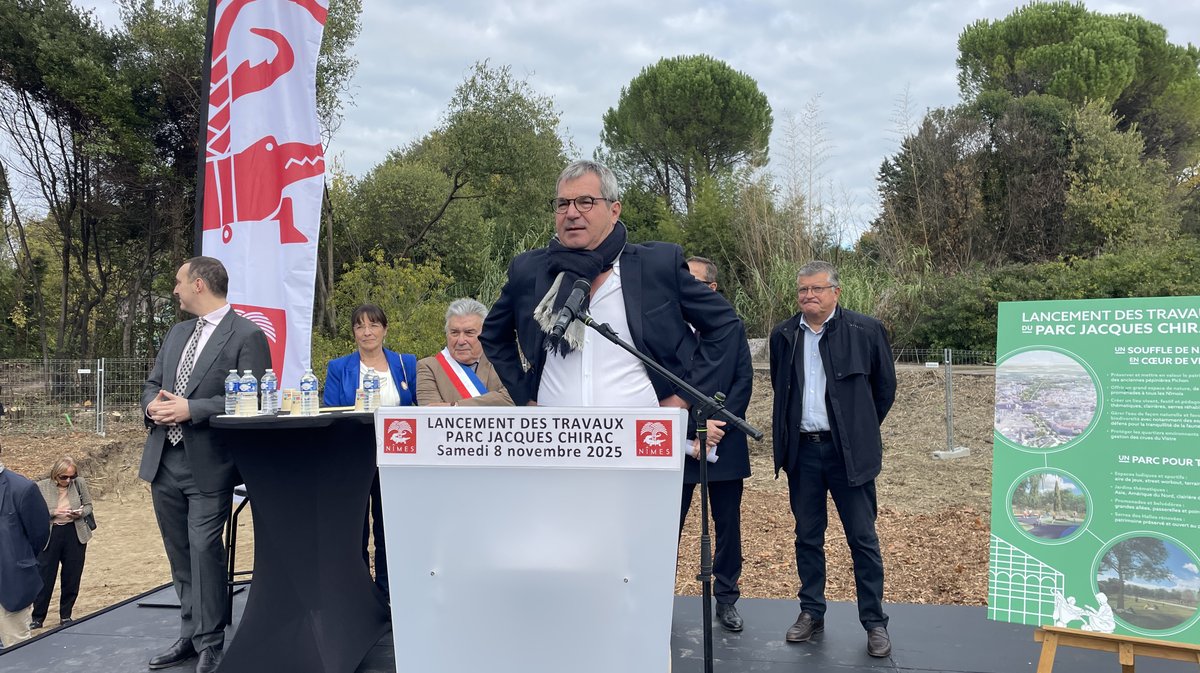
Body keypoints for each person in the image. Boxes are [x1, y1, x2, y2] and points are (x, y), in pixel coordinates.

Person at [481, 159, 743, 414]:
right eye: (563, 203)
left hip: (642, 435)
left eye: (585, 202)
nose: (571, 213)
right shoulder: (529, 270)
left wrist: (686, 397)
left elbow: (725, 325)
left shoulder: (657, 266)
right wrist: (523, 396)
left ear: (614, 211)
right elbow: (494, 335)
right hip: (556, 435)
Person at [140, 256, 270, 673]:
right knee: (179, 553)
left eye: (179, 281)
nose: (174, 289)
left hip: (209, 464)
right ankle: (190, 634)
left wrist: (191, 409)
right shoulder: (177, 333)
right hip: (163, 460)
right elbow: (152, 384)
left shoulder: (247, 335)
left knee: (203, 550)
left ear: (199, 284)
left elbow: (254, 397)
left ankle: (211, 641)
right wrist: (152, 408)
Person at [769, 260, 896, 658]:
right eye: (802, 290)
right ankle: (811, 611)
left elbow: (884, 390)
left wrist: (856, 429)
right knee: (807, 536)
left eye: (817, 289)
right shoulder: (784, 335)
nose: (808, 296)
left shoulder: (865, 331)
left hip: (849, 454)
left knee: (862, 539)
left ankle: (874, 622)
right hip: (803, 453)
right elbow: (781, 388)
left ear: (836, 292)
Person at [678, 256, 753, 632]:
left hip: (724, 440)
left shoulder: (730, 326)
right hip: (675, 442)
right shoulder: (664, 326)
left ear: (711, 289)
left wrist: (717, 425)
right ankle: (654, 599)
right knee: (665, 525)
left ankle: (726, 598)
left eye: (692, 281)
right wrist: (693, 428)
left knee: (727, 525)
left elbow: (743, 379)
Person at [324, 303, 418, 598]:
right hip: (353, 456)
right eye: (360, 326)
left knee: (389, 528)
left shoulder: (407, 363)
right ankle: (360, 594)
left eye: (373, 325)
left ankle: (390, 593)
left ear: (385, 329)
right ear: (353, 333)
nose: (367, 332)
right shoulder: (338, 368)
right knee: (355, 529)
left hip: (396, 457)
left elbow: (419, 407)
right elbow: (331, 411)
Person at [31, 457, 93, 629]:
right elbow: (35, 511)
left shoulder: (79, 483)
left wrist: (80, 512)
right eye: (64, 477)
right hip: (51, 534)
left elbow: (89, 506)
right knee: (44, 576)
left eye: (72, 476)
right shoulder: (42, 486)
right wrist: (54, 512)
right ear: (55, 474)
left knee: (72, 576)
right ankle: (37, 617)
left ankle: (66, 615)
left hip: (74, 532)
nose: (68, 480)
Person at [0, 438, 51, 648]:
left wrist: (16, 561)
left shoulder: (22, 489)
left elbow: (39, 536)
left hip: (11, 588)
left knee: (17, 651)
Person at [416, 298, 513, 407]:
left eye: (469, 333)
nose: (461, 341)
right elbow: (432, 413)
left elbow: (514, 398)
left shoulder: (502, 362)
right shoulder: (429, 367)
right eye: (454, 333)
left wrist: (455, 406)